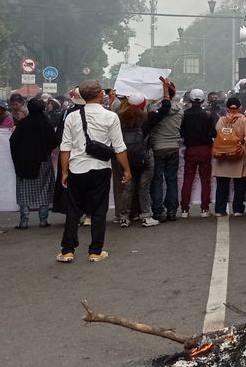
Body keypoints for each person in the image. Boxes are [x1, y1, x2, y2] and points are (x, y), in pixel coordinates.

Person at [57, 80, 130, 263]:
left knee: (73, 209)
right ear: (100, 95)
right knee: (99, 210)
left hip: (77, 167)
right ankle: (95, 251)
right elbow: (119, 147)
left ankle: (67, 250)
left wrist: (65, 172)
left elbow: (65, 148)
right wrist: (126, 169)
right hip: (100, 168)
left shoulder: (72, 117)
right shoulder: (111, 116)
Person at [9, 98, 58, 229]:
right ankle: (43, 220)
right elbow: (53, 141)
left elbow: (13, 142)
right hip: (43, 161)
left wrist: (19, 158)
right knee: (44, 188)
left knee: (24, 190)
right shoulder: (46, 123)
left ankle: (23, 221)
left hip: (24, 163)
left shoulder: (23, 124)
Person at [115, 93, 157, 228]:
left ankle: (124, 217)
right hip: (144, 155)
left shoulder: (119, 117)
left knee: (127, 188)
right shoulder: (146, 117)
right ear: (143, 104)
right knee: (143, 187)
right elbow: (161, 111)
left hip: (124, 155)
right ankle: (146, 216)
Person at [144, 77, 182, 223]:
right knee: (172, 179)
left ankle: (158, 211)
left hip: (158, 148)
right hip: (173, 147)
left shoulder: (154, 111)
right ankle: (172, 210)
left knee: (157, 180)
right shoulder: (180, 111)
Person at [212, 97, 246, 216]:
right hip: (238, 154)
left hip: (222, 154)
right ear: (240, 107)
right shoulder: (244, 120)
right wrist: (241, 143)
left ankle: (220, 209)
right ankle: (238, 209)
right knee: (240, 183)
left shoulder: (221, 120)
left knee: (222, 183)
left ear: (227, 108)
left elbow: (216, 134)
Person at [179, 88, 216, 218]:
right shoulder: (207, 115)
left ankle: (184, 209)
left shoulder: (184, 114)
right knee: (205, 180)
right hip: (205, 148)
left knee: (188, 179)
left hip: (190, 149)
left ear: (190, 99)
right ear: (203, 100)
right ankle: (204, 209)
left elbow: (181, 132)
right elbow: (213, 133)